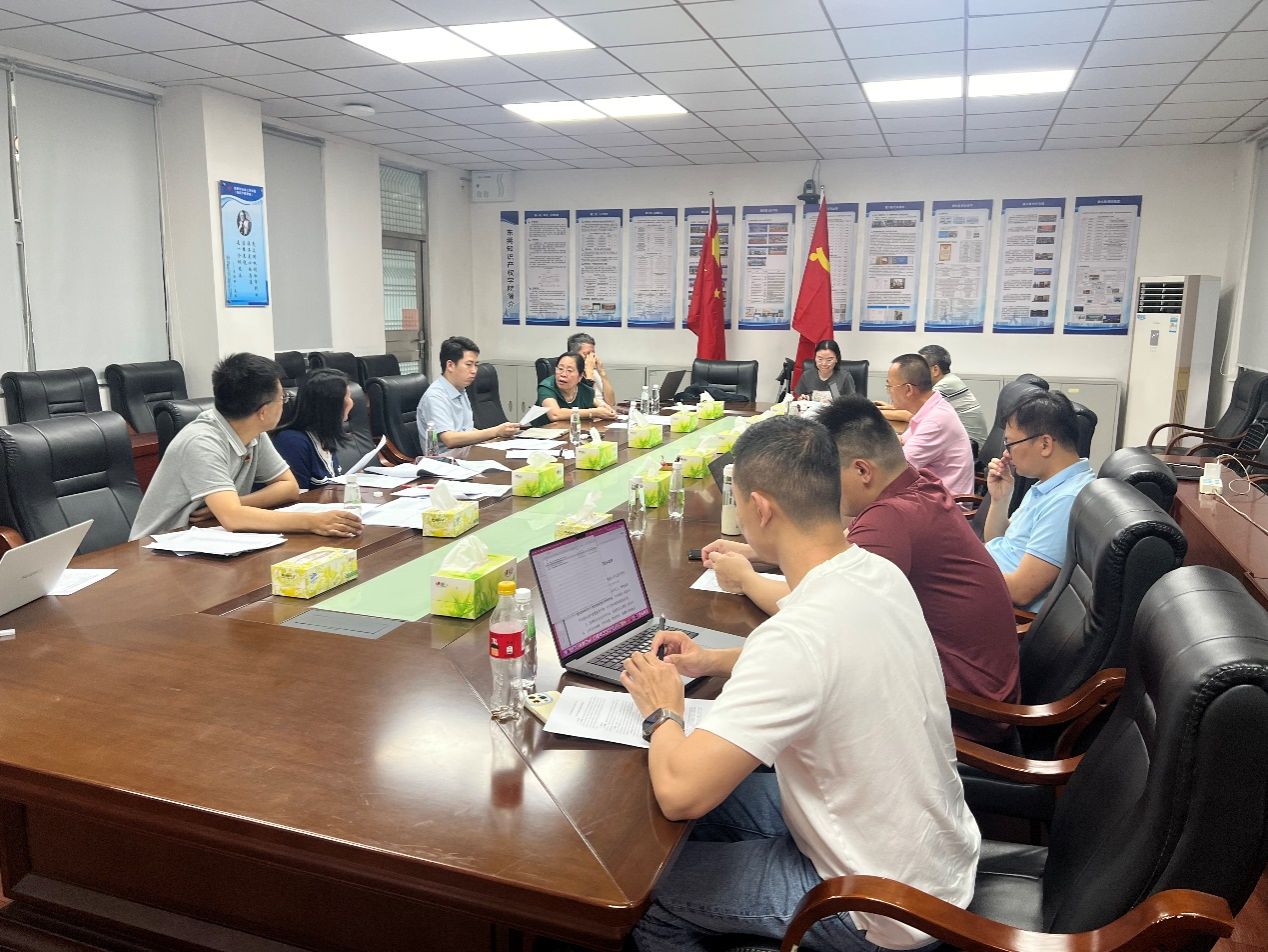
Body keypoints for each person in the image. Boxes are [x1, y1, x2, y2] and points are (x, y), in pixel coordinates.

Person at [622, 416, 979, 952]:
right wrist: (710, 661)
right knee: (703, 819)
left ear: (760, 508)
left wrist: (662, 711)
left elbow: (680, 793)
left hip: (877, 907)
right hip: (931, 861)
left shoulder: (796, 637)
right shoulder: (875, 573)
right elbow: (824, 662)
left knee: (645, 890)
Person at [703, 395, 1019, 745]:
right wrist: (758, 549)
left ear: (862, 470)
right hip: (973, 683)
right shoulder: (916, 484)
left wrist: (745, 578)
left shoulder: (891, 520)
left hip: (964, 712)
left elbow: (807, 603)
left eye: (827, 473)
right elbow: (835, 548)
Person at [129, 353, 362, 540]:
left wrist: (230, 505)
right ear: (263, 412)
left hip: (209, 536)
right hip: (161, 545)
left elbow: (288, 487)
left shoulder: (253, 432)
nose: (284, 404)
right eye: (282, 398)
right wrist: (312, 522)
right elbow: (233, 518)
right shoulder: (201, 442)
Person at [984, 390, 1095, 610]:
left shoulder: (1066, 500)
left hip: (1001, 607)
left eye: (1010, 444)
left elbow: (1021, 591)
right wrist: (1000, 499)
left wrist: (964, 569)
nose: (1007, 454)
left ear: (1045, 444)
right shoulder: (1049, 483)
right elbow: (998, 541)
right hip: (989, 580)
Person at [885, 353, 975, 496]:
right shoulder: (933, 407)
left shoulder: (936, 421)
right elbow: (903, 441)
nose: (888, 391)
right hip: (929, 494)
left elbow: (896, 470)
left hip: (945, 504)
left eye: (889, 386)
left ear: (908, 389)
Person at [418, 336, 522, 450]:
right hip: (446, 458)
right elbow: (450, 439)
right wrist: (495, 431)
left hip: (467, 452)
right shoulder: (435, 396)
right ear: (450, 365)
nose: (474, 370)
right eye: (468, 364)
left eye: (476, 365)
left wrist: (496, 440)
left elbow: (467, 430)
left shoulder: (461, 390)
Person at [272, 368, 353, 489]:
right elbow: (297, 494)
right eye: (348, 397)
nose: (351, 403)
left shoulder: (324, 436)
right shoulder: (292, 441)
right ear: (331, 407)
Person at [919, 344, 988, 445]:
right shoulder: (950, 380)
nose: (916, 373)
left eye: (920, 369)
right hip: (964, 443)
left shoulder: (946, 385)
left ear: (935, 370)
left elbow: (915, 415)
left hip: (972, 448)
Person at [537, 352, 617, 423]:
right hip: (544, 432)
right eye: (560, 369)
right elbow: (555, 415)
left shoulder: (585, 390)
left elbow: (597, 403)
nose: (563, 374)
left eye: (569, 370)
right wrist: (594, 412)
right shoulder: (546, 386)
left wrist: (606, 410)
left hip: (573, 431)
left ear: (580, 376)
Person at [567, 331, 616, 406]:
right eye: (587, 354)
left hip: (605, 411)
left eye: (593, 353)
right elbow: (584, 404)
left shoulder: (595, 372)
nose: (592, 357)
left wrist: (602, 372)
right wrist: (589, 374)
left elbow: (611, 402)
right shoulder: (569, 375)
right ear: (573, 355)